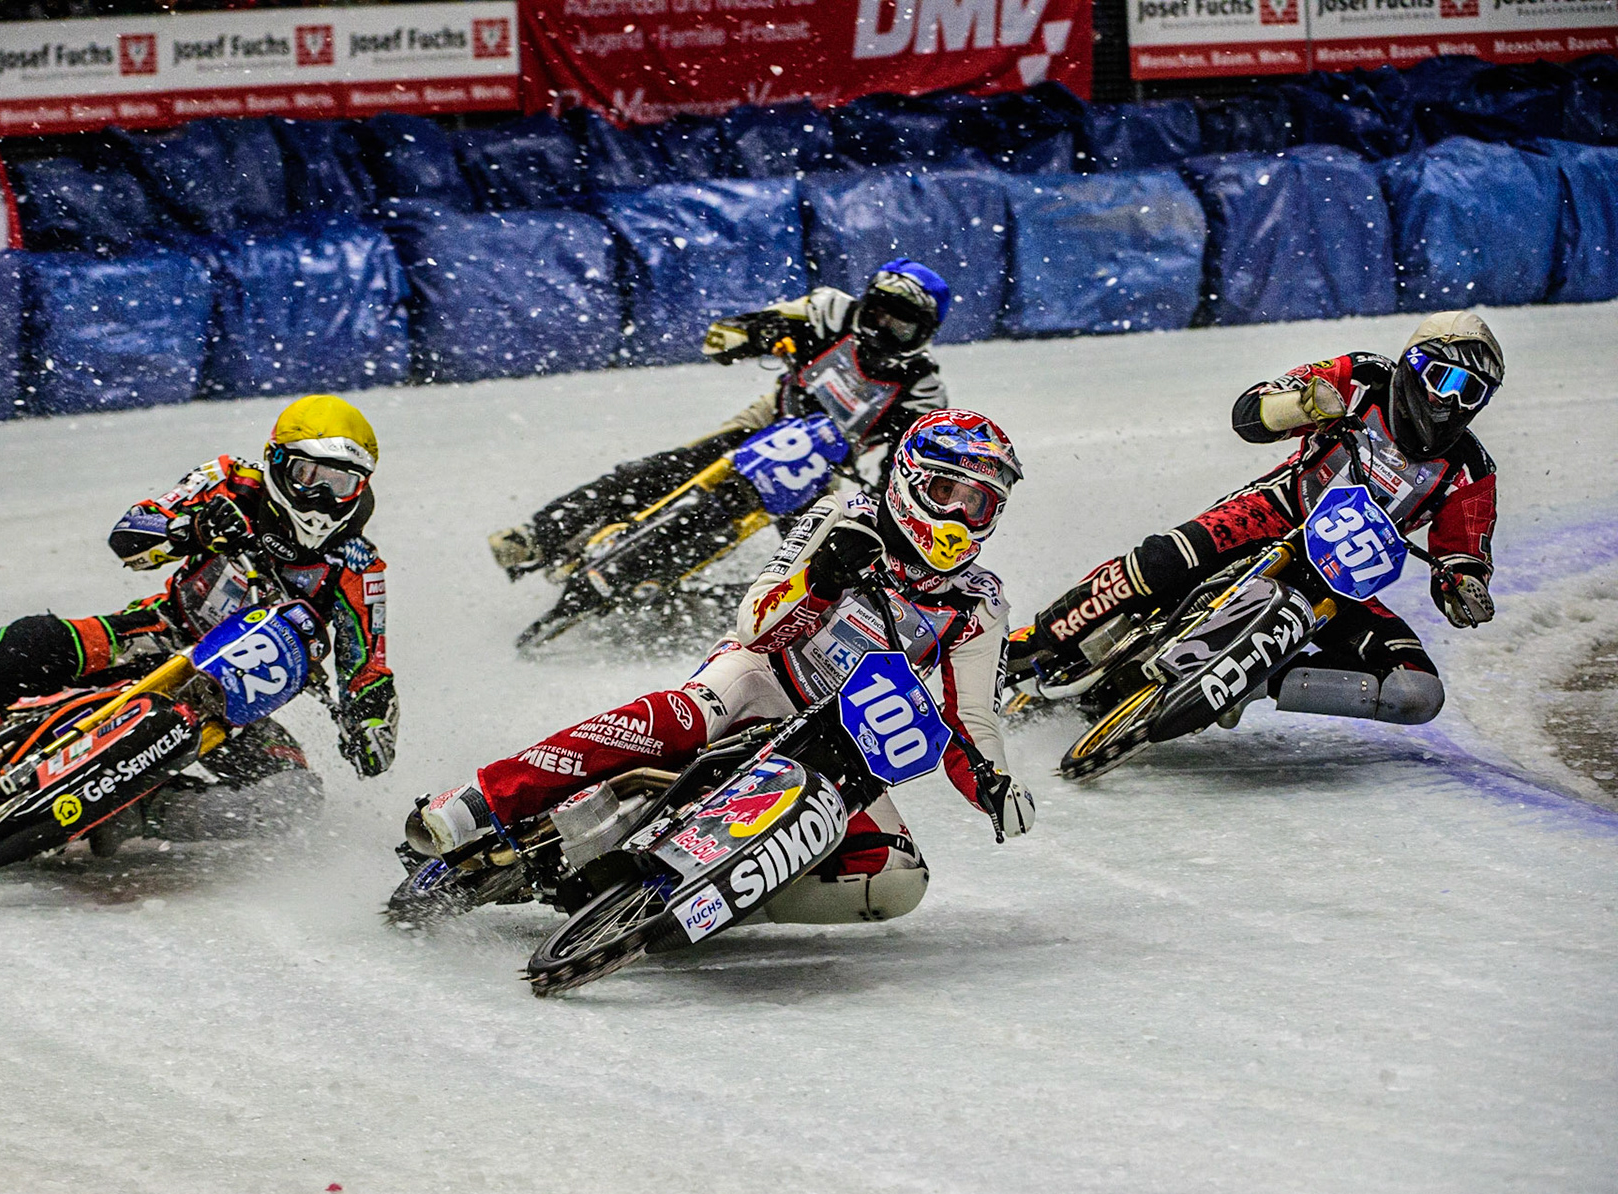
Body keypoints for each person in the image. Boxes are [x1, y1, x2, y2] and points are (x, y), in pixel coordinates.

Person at [420, 409, 1035, 925]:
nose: (956, 516)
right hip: (762, 677)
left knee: (897, 876)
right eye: (945, 492)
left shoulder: (979, 601)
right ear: (907, 480)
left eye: (977, 504)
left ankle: (709, 901)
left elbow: (969, 714)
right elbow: (757, 624)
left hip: (845, 744)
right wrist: (821, 580)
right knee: (684, 717)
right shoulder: (840, 517)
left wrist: (994, 783)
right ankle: (487, 796)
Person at [0, 394, 400, 813]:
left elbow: (366, 664)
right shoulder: (229, 480)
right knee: (41, 639)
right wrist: (195, 527)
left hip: (231, 700)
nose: (323, 497)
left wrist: (371, 723)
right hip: (155, 631)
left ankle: (142, 814)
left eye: (342, 484)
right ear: (277, 463)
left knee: (292, 799)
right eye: (309, 476)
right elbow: (131, 533)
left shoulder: (358, 566)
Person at [1011, 311, 1505, 725]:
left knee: (1417, 692)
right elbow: (1250, 413)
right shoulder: (1362, 377)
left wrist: (1462, 585)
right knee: (1162, 560)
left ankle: (1259, 678)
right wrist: (1300, 406)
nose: (1453, 402)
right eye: (1448, 380)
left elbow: (1464, 555)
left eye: (1474, 393)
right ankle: (1036, 639)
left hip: (1343, 581)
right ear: (1414, 364)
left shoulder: (1472, 470)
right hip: (1277, 512)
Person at [487, 259, 955, 576]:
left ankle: (774, 620)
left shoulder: (923, 389)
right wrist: (758, 334)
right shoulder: (829, 310)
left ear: (925, 333)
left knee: (819, 560)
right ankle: (540, 536)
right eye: (877, 314)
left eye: (900, 324)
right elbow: (722, 336)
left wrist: (887, 499)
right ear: (863, 303)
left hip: (823, 467)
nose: (881, 330)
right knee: (661, 470)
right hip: (768, 418)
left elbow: (908, 468)